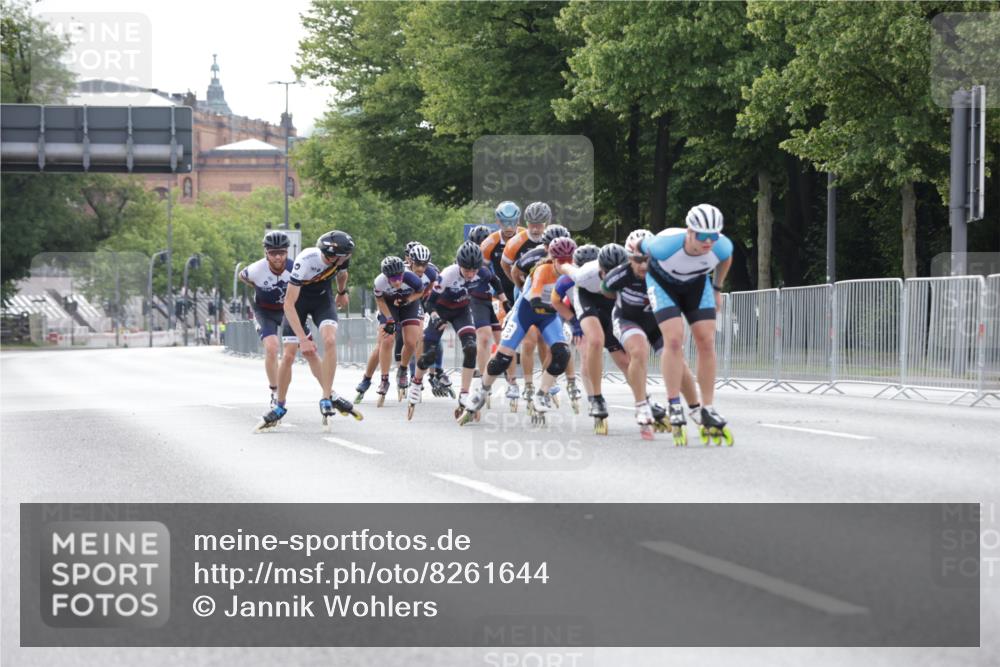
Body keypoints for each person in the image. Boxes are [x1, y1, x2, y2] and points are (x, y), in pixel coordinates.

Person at [642, 203, 734, 446]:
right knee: (673, 340)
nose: (708, 242)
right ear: (689, 232)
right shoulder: (664, 245)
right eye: (702, 236)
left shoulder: (722, 246)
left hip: (696, 285)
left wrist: (717, 288)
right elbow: (639, 245)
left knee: (706, 341)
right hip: (663, 284)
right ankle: (674, 403)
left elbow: (726, 258)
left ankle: (708, 407)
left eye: (714, 236)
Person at [461, 236, 578, 425]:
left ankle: (542, 394)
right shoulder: (543, 270)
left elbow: (576, 303)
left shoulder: (572, 273)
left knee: (562, 353)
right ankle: (481, 391)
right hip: (526, 312)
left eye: (569, 260)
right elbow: (536, 302)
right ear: (552, 259)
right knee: (502, 359)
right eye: (561, 261)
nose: (565, 265)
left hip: (548, 316)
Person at [257, 230, 361, 431]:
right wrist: (303, 339)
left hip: (323, 300)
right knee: (289, 355)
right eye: (344, 256)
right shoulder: (305, 261)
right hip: (298, 303)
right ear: (330, 255)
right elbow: (288, 304)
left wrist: (342, 292)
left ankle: (327, 397)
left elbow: (342, 274)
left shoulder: (341, 257)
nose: (347, 259)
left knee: (330, 340)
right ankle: (280, 405)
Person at [407, 242, 498, 419]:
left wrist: (504, 300)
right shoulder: (448, 274)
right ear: (459, 264)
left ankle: (464, 394)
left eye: (474, 270)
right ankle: (416, 383)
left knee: (471, 348)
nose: (470, 274)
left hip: (462, 311)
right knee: (429, 354)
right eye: (467, 270)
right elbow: (429, 302)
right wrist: (435, 317)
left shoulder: (482, 273)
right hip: (440, 310)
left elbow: (496, 281)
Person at [501, 201, 551, 405]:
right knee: (529, 340)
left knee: (545, 339)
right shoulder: (516, 241)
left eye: (540, 224)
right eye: (532, 224)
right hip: (524, 290)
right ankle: (528, 384)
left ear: (547, 223)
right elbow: (505, 264)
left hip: (547, 292)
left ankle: (546, 384)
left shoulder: (554, 238)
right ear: (526, 222)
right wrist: (518, 285)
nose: (536, 229)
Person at [239, 231, 293, 416]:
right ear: (266, 253)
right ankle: (274, 391)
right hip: (264, 312)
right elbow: (242, 276)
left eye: (281, 253)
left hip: (287, 311)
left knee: (290, 353)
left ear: (287, 252)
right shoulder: (255, 269)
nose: (277, 257)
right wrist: (257, 287)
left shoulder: (295, 268)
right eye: (273, 253)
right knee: (271, 348)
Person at [480, 201, 525, 405]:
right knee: (504, 336)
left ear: (518, 220)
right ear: (497, 221)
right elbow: (482, 274)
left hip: (521, 289)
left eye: (513, 222)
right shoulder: (489, 243)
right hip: (498, 293)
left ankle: (517, 381)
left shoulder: (524, 236)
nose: (509, 227)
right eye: (505, 223)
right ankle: (507, 380)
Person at [369, 255, 425, 404]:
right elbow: (379, 300)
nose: (398, 281)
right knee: (387, 339)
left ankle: (402, 370)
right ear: (386, 277)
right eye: (393, 279)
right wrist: (389, 319)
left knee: (412, 342)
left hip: (408, 304)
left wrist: (409, 300)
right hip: (389, 305)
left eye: (399, 277)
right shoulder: (379, 282)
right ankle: (384, 379)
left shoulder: (411, 278)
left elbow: (420, 291)